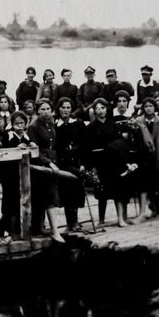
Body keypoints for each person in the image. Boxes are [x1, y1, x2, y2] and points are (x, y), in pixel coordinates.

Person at [87, 98, 135, 227]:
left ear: (107, 109)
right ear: (94, 111)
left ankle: (122, 217)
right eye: (97, 108)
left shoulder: (112, 124)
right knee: (101, 191)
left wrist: (124, 160)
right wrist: (92, 166)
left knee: (119, 188)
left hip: (114, 161)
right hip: (100, 160)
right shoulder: (91, 127)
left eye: (103, 108)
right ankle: (101, 219)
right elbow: (88, 147)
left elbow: (120, 143)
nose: (100, 111)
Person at [27, 99, 64, 242]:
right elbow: (35, 150)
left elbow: (54, 145)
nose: (46, 112)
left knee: (48, 196)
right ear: (37, 111)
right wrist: (48, 163)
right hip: (41, 166)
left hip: (53, 162)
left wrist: (55, 162)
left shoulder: (51, 124)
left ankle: (41, 228)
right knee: (48, 197)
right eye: (42, 109)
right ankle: (55, 231)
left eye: (48, 109)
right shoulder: (33, 127)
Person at [135, 97, 159, 218]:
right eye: (146, 106)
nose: (148, 109)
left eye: (151, 106)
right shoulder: (138, 121)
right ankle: (153, 208)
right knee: (149, 184)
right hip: (145, 158)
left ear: (155, 108)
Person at [54, 98, 88, 232]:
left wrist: (84, 163)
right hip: (62, 164)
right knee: (66, 193)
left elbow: (85, 145)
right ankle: (69, 223)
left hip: (77, 162)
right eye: (63, 107)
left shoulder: (78, 124)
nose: (65, 110)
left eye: (68, 107)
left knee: (76, 192)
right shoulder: (56, 125)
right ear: (58, 109)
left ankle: (75, 222)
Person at [0, 111, 31, 239]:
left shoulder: (26, 136)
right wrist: (17, 147)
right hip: (9, 174)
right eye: (17, 124)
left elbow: (30, 147)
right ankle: (3, 230)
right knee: (9, 203)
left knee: (19, 201)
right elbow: (6, 151)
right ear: (12, 124)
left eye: (22, 123)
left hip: (21, 173)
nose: (19, 126)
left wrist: (30, 145)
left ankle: (16, 229)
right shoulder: (9, 135)